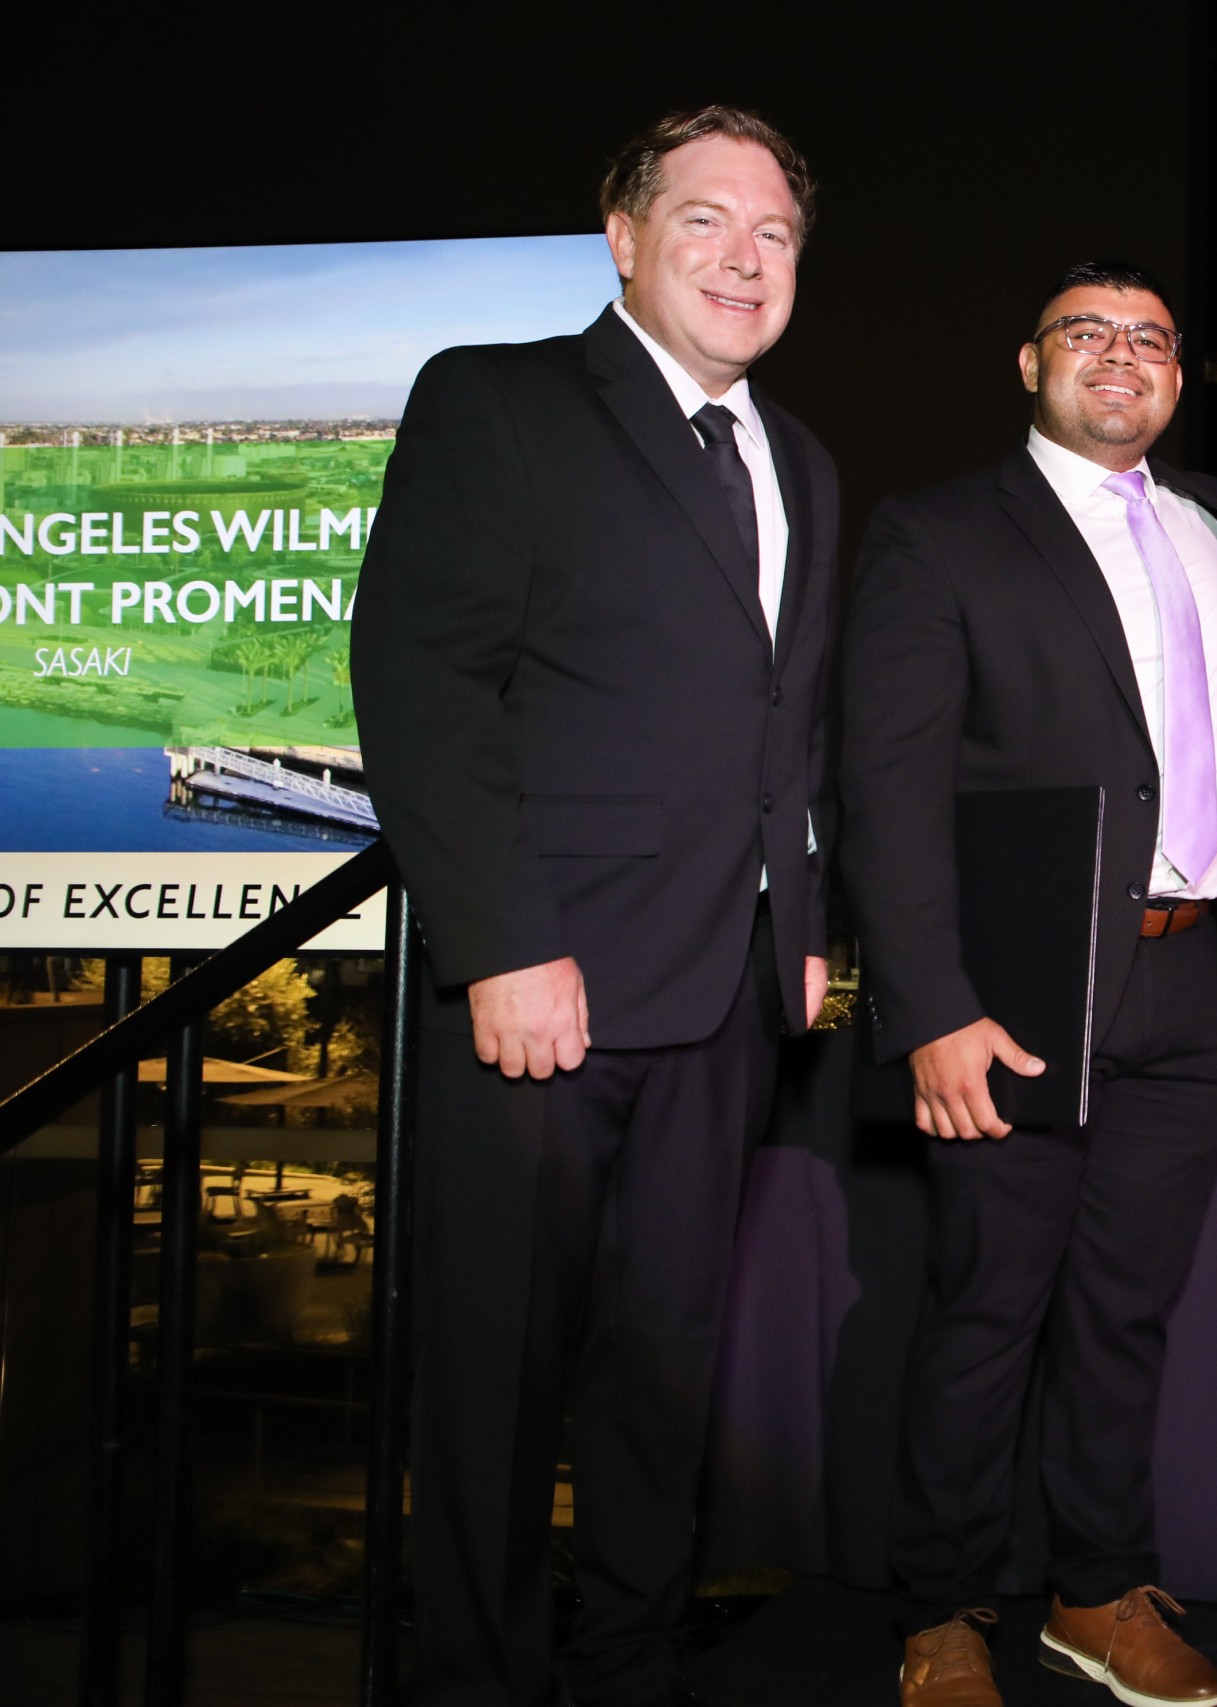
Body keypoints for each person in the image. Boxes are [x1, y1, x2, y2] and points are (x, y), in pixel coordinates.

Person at [350, 106, 836, 1707]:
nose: (744, 258)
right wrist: (501, 941)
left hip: (728, 992)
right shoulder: (497, 401)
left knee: (665, 1371)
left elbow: (788, 726)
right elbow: (423, 683)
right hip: (545, 990)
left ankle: (629, 1664)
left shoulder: (803, 462)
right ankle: (478, 1683)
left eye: (773, 232)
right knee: (498, 1376)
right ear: (623, 238)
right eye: (705, 220)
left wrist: (803, 924)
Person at [840, 262, 1217, 1707]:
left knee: (1124, 1318)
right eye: (1087, 333)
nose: (1121, 355)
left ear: (1179, 374)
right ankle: (941, 1610)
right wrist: (930, 1007)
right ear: (1030, 364)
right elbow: (888, 788)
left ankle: (1094, 1592)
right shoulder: (939, 533)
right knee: (987, 1312)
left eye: (1151, 338)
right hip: (1014, 992)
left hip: (1190, 981)